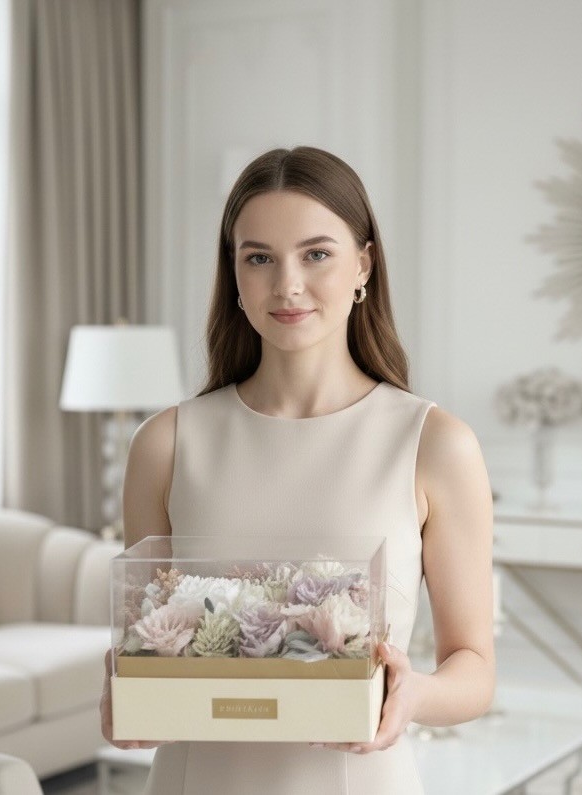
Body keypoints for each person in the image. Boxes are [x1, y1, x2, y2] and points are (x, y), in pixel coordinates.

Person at [100, 145, 495, 794]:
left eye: (316, 254)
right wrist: (125, 685)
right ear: (234, 274)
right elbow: (149, 641)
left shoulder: (435, 444)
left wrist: (412, 692)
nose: (286, 284)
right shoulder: (166, 443)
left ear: (362, 264)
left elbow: (474, 666)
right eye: (259, 257)